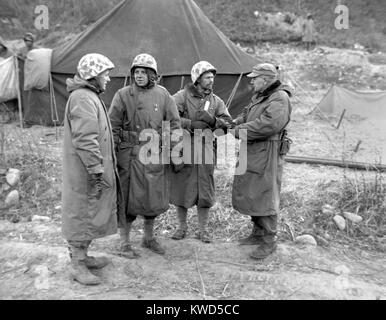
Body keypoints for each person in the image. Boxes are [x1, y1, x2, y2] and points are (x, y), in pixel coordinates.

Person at [109, 53, 180, 257]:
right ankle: (124, 242)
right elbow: (112, 125)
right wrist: (112, 152)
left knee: (152, 199)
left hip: (153, 154)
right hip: (129, 155)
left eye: (144, 72)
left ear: (152, 74)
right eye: (136, 72)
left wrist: (170, 149)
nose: (139, 76)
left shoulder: (164, 94)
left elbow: (173, 123)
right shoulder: (123, 95)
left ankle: (148, 238)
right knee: (127, 200)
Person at [62, 53, 118, 285]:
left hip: (89, 171)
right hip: (86, 172)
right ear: (93, 76)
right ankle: (77, 264)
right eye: (105, 74)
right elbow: (86, 138)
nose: (108, 79)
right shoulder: (83, 98)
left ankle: (83, 257)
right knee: (82, 215)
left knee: (89, 214)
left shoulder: (88, 96)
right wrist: (96, 170)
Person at [231, 63, 292, 260]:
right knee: (253, 192)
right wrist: (234, 123)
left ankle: (269, 240)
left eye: (255, 78)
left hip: (267, 153)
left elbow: (267, 124)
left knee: (265, 194)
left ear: (265, 80)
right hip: (254, 150)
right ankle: (257, 233)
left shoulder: (279, 98)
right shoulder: (262, 96)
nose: (251, 81)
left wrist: (239, 131)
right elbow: (247, 114)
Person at [170, 61, 232, 243]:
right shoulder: (181, 97)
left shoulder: (216, 101)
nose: (211, 80)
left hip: (206, 149)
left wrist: (214, 121)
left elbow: (228, 125)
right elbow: (170, 117)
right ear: (197, 79)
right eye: (207, 77)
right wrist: (190, 124)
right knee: (182, 188)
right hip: (184, 148)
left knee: (205, 189)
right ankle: (181, 227)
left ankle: (203, 230)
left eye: (213, 76)